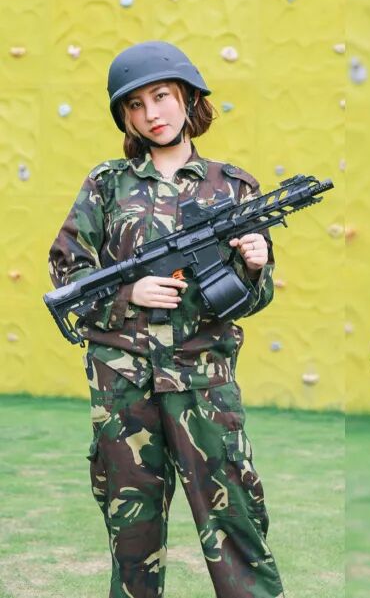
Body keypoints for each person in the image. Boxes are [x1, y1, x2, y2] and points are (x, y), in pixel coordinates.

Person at [48, 41, 285, 598]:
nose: (151, 113)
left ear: (188, 99)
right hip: (124, 389)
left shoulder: (234, 187)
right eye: (136, 105)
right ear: (125, 117)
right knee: (132, 536)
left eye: (162, 97)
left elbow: (253, 299)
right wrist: (129, 293)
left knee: (236, 525)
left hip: (204, 385)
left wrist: (255, 267)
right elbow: (67, 272)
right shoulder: (106, 184)